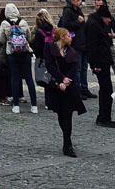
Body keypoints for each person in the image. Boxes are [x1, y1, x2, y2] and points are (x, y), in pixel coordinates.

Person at [43, 25, 85, 157]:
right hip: (55, 86)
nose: (70, 38)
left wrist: (66, 81)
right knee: (61, 114)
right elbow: (49, 65)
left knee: (68, 114)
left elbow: (74, 67)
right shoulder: (49, 47)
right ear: (61, 37)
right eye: (68, 36)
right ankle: (67, 141)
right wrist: (61, 79)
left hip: (69, 87)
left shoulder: (71, 51)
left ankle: (67, 144)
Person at [85, 0, 115, 128]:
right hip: (100, 62)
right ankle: (104, 117)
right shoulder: (94, 25)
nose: (109, 21)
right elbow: (92, 46)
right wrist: (95, 65)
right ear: (103, 17)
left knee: (106, 89)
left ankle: (104, 116)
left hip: (103, 60)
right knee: (106, 90)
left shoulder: (97, 23)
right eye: (107, 18)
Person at [0, 3, 37, 114]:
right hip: (25, 52)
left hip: (12, 53)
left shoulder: (4, 23)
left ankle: (16, 106)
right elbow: (29, 37)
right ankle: (34, 106)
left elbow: (1, 39)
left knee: (15, 78)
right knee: (29, 78)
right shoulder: (23, 22)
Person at [57, 0, 91, 98]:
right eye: (77, 0)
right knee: (78, 68)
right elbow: (66, 25)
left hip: (83, 43)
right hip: (75, 44)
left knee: (84, 67)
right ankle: (78, 89)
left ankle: (84, 88)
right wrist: (78, 21)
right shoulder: (67, 11)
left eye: (79, 0)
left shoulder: (78, 10)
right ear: (72, 1)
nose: (80, 2)